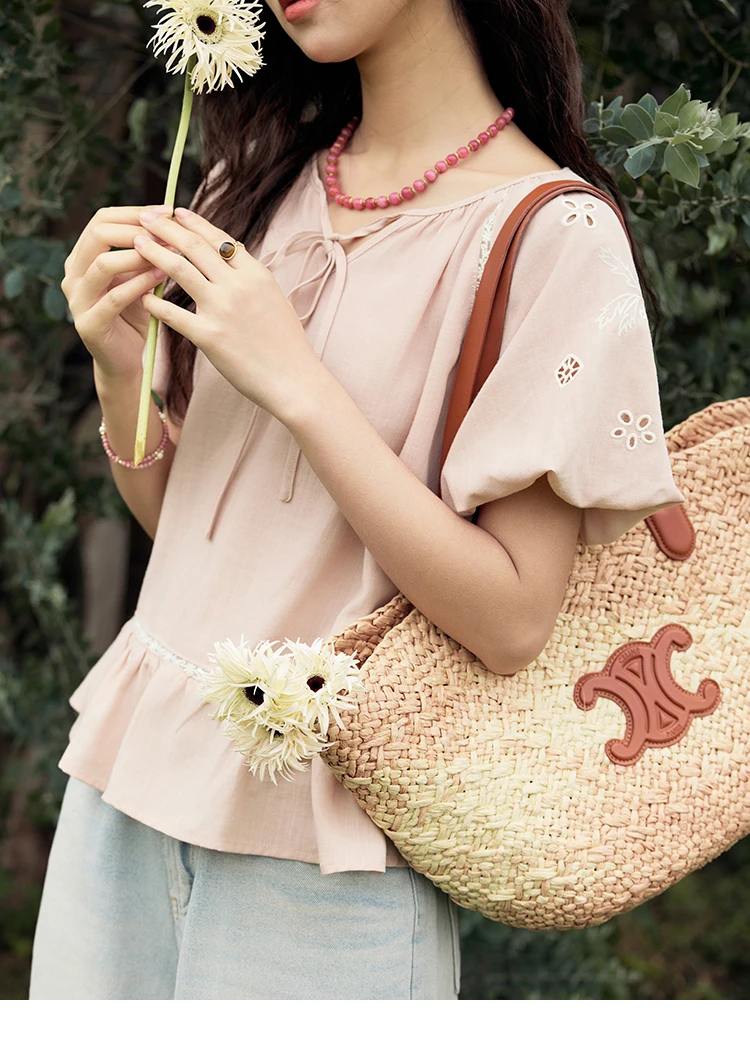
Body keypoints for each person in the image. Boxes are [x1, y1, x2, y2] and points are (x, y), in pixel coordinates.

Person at [29, 0, 685, 1000]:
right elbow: (189, 534)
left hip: (328, 853)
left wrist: (300, 385)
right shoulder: (251, 184)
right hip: (123, 790)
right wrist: (123, 375)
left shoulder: (554, 235)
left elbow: (512, 617)